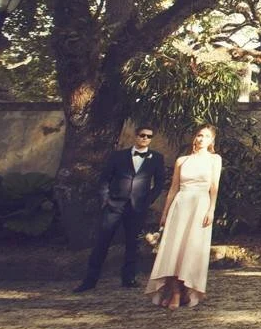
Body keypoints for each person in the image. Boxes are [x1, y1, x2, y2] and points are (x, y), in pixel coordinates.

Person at [74, 125, 167, 292]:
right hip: (114, 205)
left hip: (137, 207)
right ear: (135, 136)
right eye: (142, 135)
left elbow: (160, 183)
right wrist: (105, 199)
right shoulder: (118, 156)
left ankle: (128, 278)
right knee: (102, 242)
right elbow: (104, 179)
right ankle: (90, 280)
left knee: (133, 244)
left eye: (149, 136)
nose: (145, 138)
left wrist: (148, 200)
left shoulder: (156, 158)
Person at [145, 124, 222, 309]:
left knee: (190, 250)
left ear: (212, 140)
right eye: (198, 135)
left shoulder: (214, 160)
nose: (201, 139)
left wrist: (211, 210)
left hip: (200, 205)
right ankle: (174, 292)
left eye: (205, 136)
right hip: (180, 205)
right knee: (173, 250)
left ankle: (185, 290)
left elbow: (214, 187)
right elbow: (173, 189)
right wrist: (165, 213)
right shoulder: (182, 160)